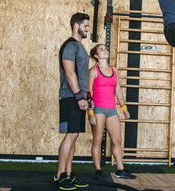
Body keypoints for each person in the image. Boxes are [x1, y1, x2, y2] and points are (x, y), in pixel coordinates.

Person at [52, 12, 90, 190]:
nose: (87, 29)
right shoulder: (70, 46)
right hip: (71, 97)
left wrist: (85, 97)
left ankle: (68, 174)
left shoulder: (80, 47)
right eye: (85, 26)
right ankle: (59, 176)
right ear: (76, 26)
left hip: (78, 97)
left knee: (73, 136)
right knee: (71, 135)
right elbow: (69, 73)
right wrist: (79, 97)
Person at [87, 44, 136, 179]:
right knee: (97, 140)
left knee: (117, 140)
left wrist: (124, 107)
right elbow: (89, 92)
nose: (105, 50)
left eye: (105, 48)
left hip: (111, 110)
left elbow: (118, 90)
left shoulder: (114, 70)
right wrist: (90, 113)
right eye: (101, 49)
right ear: (96, 56)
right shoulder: (93, 71)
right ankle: (98, 170)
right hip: (98, 109)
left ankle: (120, 170)